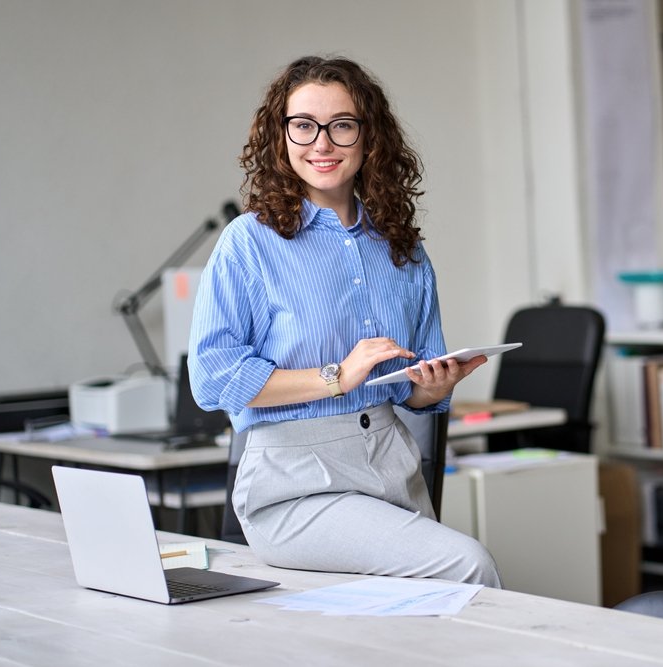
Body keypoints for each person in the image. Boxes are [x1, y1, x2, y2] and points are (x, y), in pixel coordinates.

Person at [188, 56, 500, 587]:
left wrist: (432, 386)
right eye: (304, 125)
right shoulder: (249, 241)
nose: (322, 143)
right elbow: (213, 378)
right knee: (467, 564)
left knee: (421, 615)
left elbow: (412, 393)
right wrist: (336, 376)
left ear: (368, 137)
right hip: (294, 484)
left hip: (391, 464)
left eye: (342, 125)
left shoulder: (402, 248)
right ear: (281, 136)